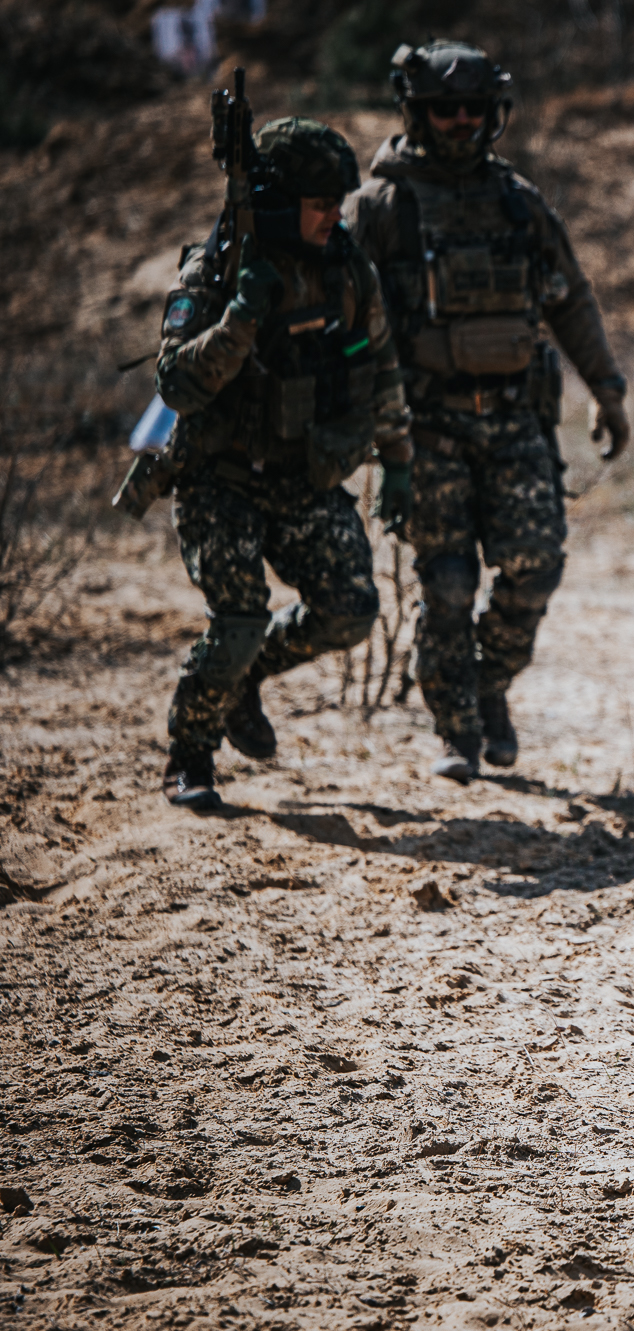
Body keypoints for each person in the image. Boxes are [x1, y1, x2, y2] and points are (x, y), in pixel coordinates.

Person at [344, 40, 629, 784]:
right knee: (446, 584)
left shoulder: (518, 202)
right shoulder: (380, 209)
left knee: (536, 566)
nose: (463, 120)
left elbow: (570, 299)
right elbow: (343, 320)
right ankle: (458, 729)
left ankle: (488, 682)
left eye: (475, 107)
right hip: (426, 426)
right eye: (446, 109)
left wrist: (607, 391)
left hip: (514, 421)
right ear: (416, 112)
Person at [155, 117, 414, 811]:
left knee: (351, 609)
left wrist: (398, 461)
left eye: (338, 201)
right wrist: (240, 319)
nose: (335, 215)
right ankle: (190, 755)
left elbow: (381, 365)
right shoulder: (216, 270)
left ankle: (246, 676)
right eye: (319, 203)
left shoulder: (346, 269)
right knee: (238, 621)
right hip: (222, 478)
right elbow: (176, 385)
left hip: (304, 475)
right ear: (278, 204)